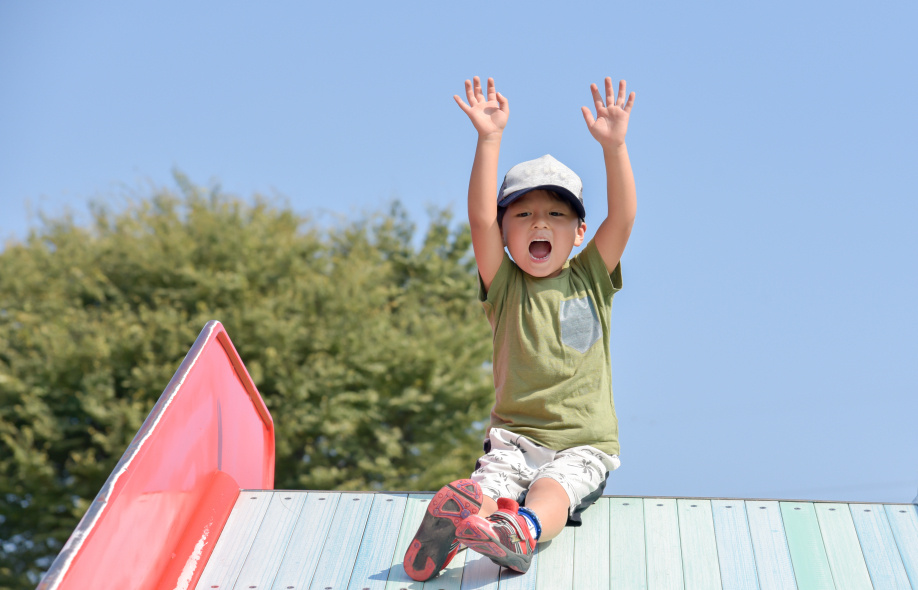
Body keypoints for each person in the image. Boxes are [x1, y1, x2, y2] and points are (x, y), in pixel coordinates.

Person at [403, 75, 636, 581]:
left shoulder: (590, 277)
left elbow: (622, 216)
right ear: (505, 233)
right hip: (513, 436)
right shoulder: (504, 284)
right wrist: (488, 139)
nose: (539, 224)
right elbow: (478, 217)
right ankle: (461, 524)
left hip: (583, 441)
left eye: (556, 215)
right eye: (524, 214)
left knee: (555, 488)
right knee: (489, 484)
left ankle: (520, 529)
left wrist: (614, 147)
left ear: (578, 233)